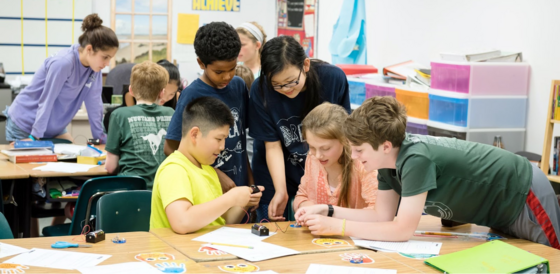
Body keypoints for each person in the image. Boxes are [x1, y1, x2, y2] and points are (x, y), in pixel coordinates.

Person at [296, 96, 560, 249]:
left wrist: (337, 227)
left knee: (552, 260)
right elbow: (381, 216)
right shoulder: (387, 163)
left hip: (522, 191)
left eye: (360, 150)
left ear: (385, 146)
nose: (353, 157)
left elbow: (401, 230)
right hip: (497, 209)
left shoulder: (415, 159)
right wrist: (327, 211)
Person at [248, 36, 350, 221]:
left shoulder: (333, 79)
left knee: (321, 223)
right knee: (273, 225)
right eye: (277, 85)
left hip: (325, 167)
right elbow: (272, 146)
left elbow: (344, 134)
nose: (285, 89)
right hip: (275, 170)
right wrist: (281, 190)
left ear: (305, 65)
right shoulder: (260, 89)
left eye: (291, 81)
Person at [150, 97, 263, 233]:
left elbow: (222, 221)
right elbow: (182, 222)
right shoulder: (174, 169)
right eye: (218, 139)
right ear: (195, 134)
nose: (222, 147)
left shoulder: (207, 169)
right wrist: (231, 197)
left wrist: (242, 201)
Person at [164, 22, 252, 191]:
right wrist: (215, 174)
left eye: (232, 68)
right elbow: (171, 148)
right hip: (206, 190)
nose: (227, 76)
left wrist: (249, 180)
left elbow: (239, 142)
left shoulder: (239, 86)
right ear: (201, 63)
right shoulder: (192, 94)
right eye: (218, 72)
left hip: (239, 188)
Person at [3, 13, 118, 143]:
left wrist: (101, 138)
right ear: (89, 49)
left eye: (110, 58)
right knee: (31, 161)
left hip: (52, 127)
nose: (107, 64)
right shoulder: (63, 63)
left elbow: (94, 103)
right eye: (105, 57)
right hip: (26, 123)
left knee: (74, 155)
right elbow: (47, 100)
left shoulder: (95, 67)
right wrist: (35, 137)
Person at [294, 102, 378, 211]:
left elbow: (377, 211)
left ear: (344, 140)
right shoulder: (312, 158)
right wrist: (305, 206)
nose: (318, 155)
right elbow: (301, 195)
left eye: (326, 148)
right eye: (312, 147)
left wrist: (330, 216)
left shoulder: (363, 164)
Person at [105, 61, 174, 187]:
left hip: (130, 191)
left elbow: (110, 167)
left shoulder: (119, 115)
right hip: (164, 190)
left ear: (131, 90)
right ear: (162, 93)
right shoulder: (171, 113)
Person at [104, 60, 181, 134]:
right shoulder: (131, 95)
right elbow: (135, 125)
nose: (164, 98)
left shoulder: (177, 97)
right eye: (162, 91)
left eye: (171, 94)